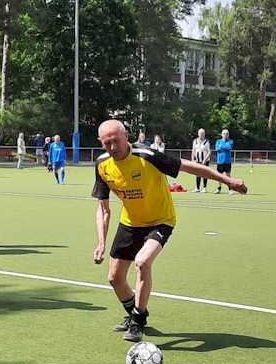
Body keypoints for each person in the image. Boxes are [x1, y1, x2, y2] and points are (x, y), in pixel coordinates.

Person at [92, 120, 247, 342]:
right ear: (101, 142)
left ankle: (137, 321)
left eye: (116, 140)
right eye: (107, 143)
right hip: (130, 222)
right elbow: (103, 209)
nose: (113, 147)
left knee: (142, 262)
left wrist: (226, 180)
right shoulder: (102, 165)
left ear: (126, 136)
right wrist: (101, 243)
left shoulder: (147, 156)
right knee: (115, 278)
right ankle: (133, 313)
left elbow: (187, 166)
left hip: (160, 220)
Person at [214, 128, 235, 194]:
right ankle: (219, 188)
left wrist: (222, 147)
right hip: (220, 161)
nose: (225, 135)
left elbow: (228, 148)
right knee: (219, 176)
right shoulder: (218, 141)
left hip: (227, 161)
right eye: (224, 133)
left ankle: (230, 189)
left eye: (227, 134)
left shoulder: (230, 141)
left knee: (228, 176)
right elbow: (217, 149)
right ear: (221, 134)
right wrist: (223, 147)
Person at [191, 128, 211, 193]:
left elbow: (209, 151)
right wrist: (193, 160)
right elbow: (193, 150)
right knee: (197, 173)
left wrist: (205, 160)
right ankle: (197, 188)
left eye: (202, 133)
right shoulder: (195, 141)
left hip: (204, 161)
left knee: (205, 173)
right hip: (198, 160)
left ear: (204, 134)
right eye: (200, 133)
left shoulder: (206, 142)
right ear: (198, 134)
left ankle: (204, 187)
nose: (201, 135)